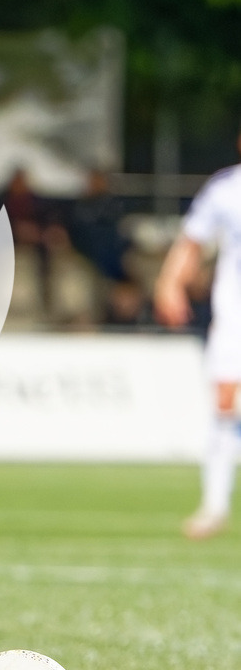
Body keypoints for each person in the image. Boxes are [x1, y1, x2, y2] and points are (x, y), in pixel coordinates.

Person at [154, 134, 241, 539]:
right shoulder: (226, 189)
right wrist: (171, 283)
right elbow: (192, 241)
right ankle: (214, 506)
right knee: (225, 404)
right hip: (234, 317)